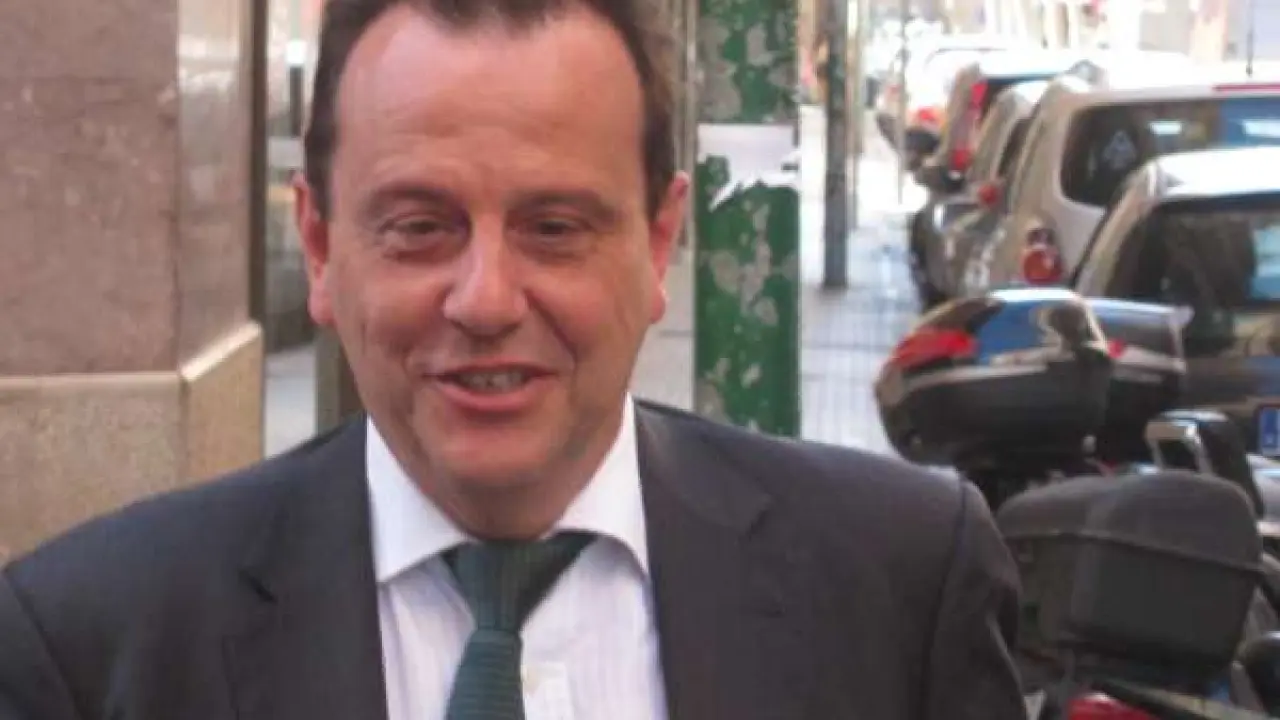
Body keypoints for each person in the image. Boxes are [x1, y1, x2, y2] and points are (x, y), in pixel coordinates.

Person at [0, 1, 1026, 718]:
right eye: (418, 227)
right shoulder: (94, 645)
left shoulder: (900, 584)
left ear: (658, 243)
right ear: (318, 247)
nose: (486, 301)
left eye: (554, 228)